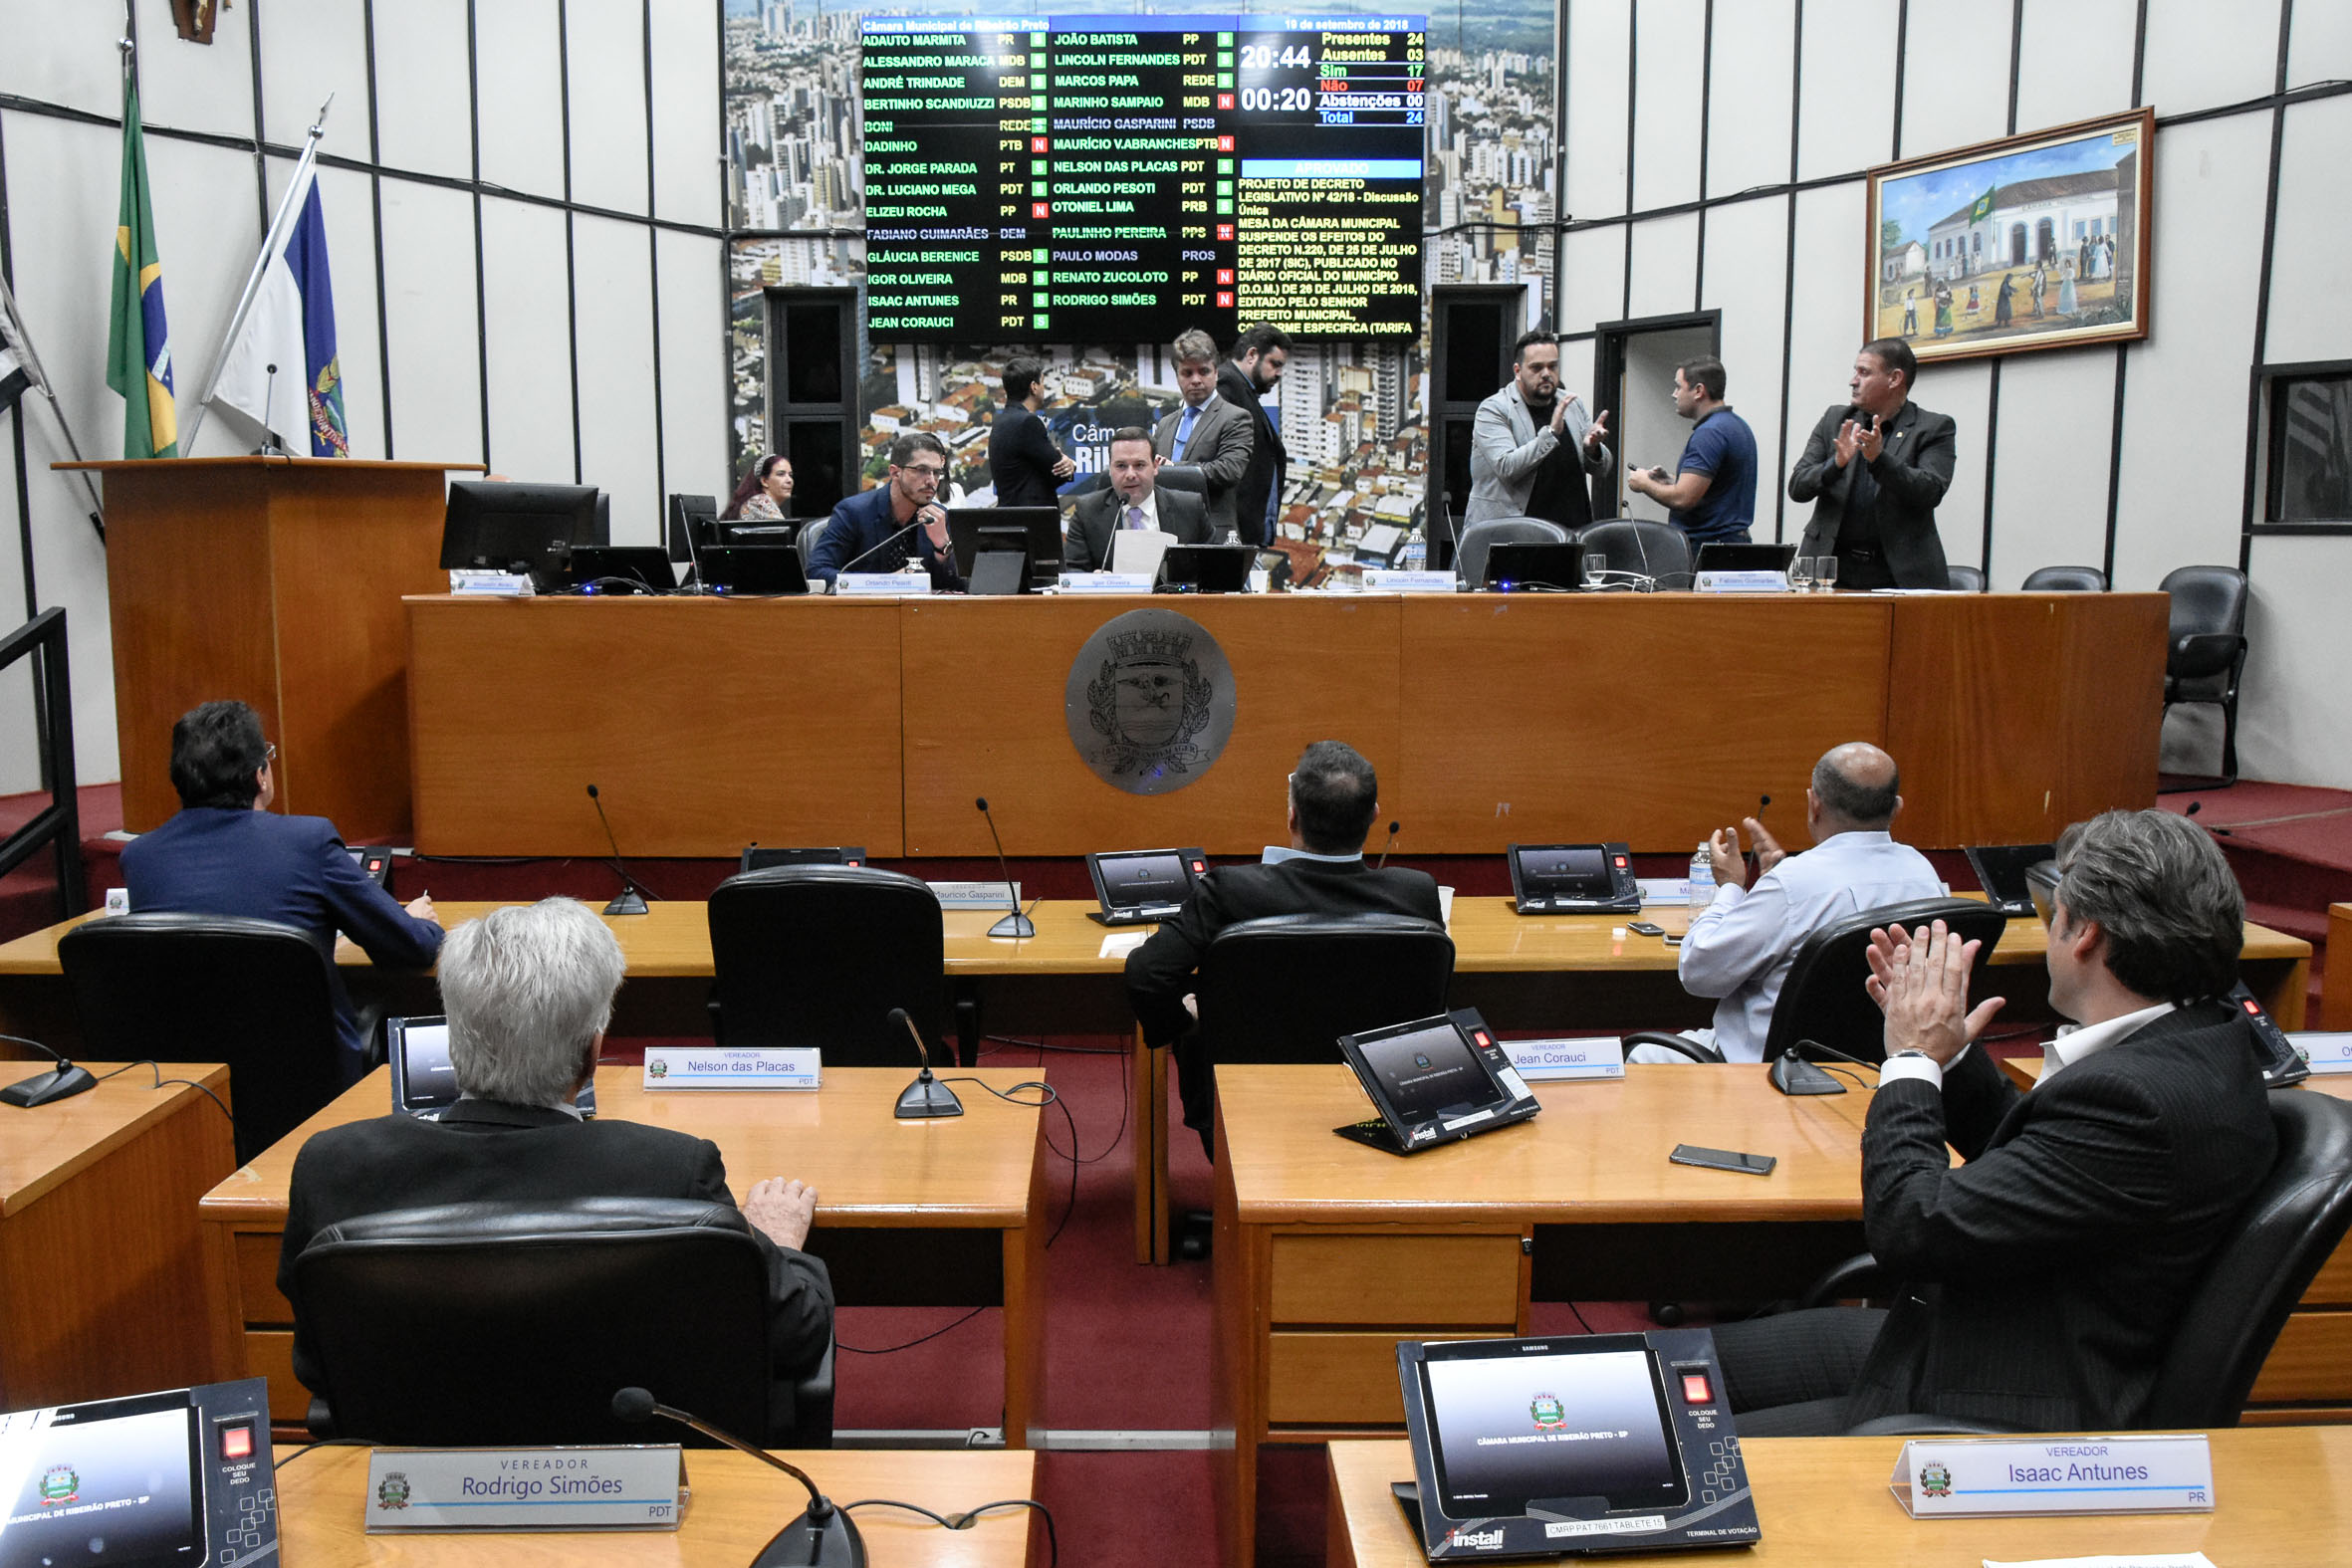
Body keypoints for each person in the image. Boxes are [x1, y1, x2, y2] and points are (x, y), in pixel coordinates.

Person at [1710, 809, 2277, 1435]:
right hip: (1995, 1335)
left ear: (2085, 932)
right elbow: (2048, 1165)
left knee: (1667, 1441)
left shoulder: (2137, 1099)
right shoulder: (2200, 1045)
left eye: (2054, 915)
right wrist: (1951, 1057)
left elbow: (1910, 1224)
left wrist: (1911, 1060)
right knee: (1674, 1370)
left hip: (2005, 1398)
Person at [276, 898, 834, 1409]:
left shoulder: (332, 1166)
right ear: (593, 1053)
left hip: (409, 1488)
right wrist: (781, 1248)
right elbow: (797, 1335)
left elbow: (318, 1366)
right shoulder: (672, 1171)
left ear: (452, 1039)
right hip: (633, 1483)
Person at [1126, 741, 1442, 1154]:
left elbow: (1146, 976)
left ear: (1292, 816)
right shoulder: (1417, 893)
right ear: (1374, 817)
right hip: (1379, 1104)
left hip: (1245, 1110)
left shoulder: (1231, 891)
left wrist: (1191, 1025)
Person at [120, 700, 443, 1083]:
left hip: (189, 1085)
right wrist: (415, 922)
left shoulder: (139, 858)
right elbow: (410, 948)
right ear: (260, 776)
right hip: (306, 1081)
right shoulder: (308, 841)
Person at [1629, 743, 1940, 1064]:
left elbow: (1698, 972)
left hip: (1770, 1075)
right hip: (1879, 1067)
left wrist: (1731, 889)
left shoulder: (1793, 886)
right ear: (1896, 808)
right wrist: (1774, 891)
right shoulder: (1925, 875)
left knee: (1639, 1056)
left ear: (1814, 805)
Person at [1789, 336, 1957, 590]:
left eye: (1864, 372)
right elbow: (1797, 487)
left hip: (1900, 575)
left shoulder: (1933, 428)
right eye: (1855, 372)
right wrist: (1835, 464)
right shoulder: (1836, 419)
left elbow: (1930, 491)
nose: (1853, 381)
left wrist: (1880, 459)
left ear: (1894, 379)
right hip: (1829, 572)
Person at [1465, 330, 1613, 530]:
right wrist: (1551, 433)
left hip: (1572, 532)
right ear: (1518, 371)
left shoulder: (1571, 404)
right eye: (1536, 368)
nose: (1546, 374)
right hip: (1514, 536)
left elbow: (1603, 469)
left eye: (1552, 366)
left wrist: (1592, 449)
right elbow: (1507, 467)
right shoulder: (1494, 409)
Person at [1624, 355, 1757, 548]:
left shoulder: (1710, 433)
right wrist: (1671, 481)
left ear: (1698, 391)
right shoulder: (1736, 425)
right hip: (1732, 543)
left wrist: (1644, 483)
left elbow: (1683, 498)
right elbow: (1716, 489)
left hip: (1709, 546)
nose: (1674, 394)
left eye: (1678, 387)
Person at [809, 431, 963, 590]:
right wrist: (887, 583)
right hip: (864, 611)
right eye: (921, 470)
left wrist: (942, 548)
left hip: (920, 612)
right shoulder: (854, 512)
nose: (931, 481)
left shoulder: (939, 518)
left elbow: (959, 587)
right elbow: (817, 572)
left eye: (937, 473)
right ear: (895, 472)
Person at [1153, 329, 1254, 540]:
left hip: (1212, 536)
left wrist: (1173, 470)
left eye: (1204, 371)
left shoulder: (1235, 418)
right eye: (1187, 373)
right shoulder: (1165, 424)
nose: (1196, 379)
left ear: (1216, 373)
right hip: (1165, 535)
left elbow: (1229, 470)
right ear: (1177, 376)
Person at [1064, 426, 1210, 570]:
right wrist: (1093, 584)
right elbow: (1072, 569)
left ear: (1155, 466)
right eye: (1121, 466)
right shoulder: (1088, 510)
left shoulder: (1189, 507)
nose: (1130, 475)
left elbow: (1214, 566)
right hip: (1112, 594)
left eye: (1139, 465)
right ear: (1110, 469)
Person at [1219, 324, 1291, 547]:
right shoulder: (1227, 384)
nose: (1279, 374)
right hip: (1233, 536)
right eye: (1274, 364)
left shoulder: (1245, 391)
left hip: (1246, 536)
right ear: (1251, 355)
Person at [987, 355, 1075, 507]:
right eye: (1043, 384)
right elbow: (1058, 473)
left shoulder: (1001, 421)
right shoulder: (1028, 422)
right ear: (1034, 386)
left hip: (1010, 517)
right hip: (1031, 522)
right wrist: (1071, 464)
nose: (1043, 390)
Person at [721, 453, 793, 522]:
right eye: (781, 474)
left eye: (790, 475)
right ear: (764, 481)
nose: (789, 480)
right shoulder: (761, 502)